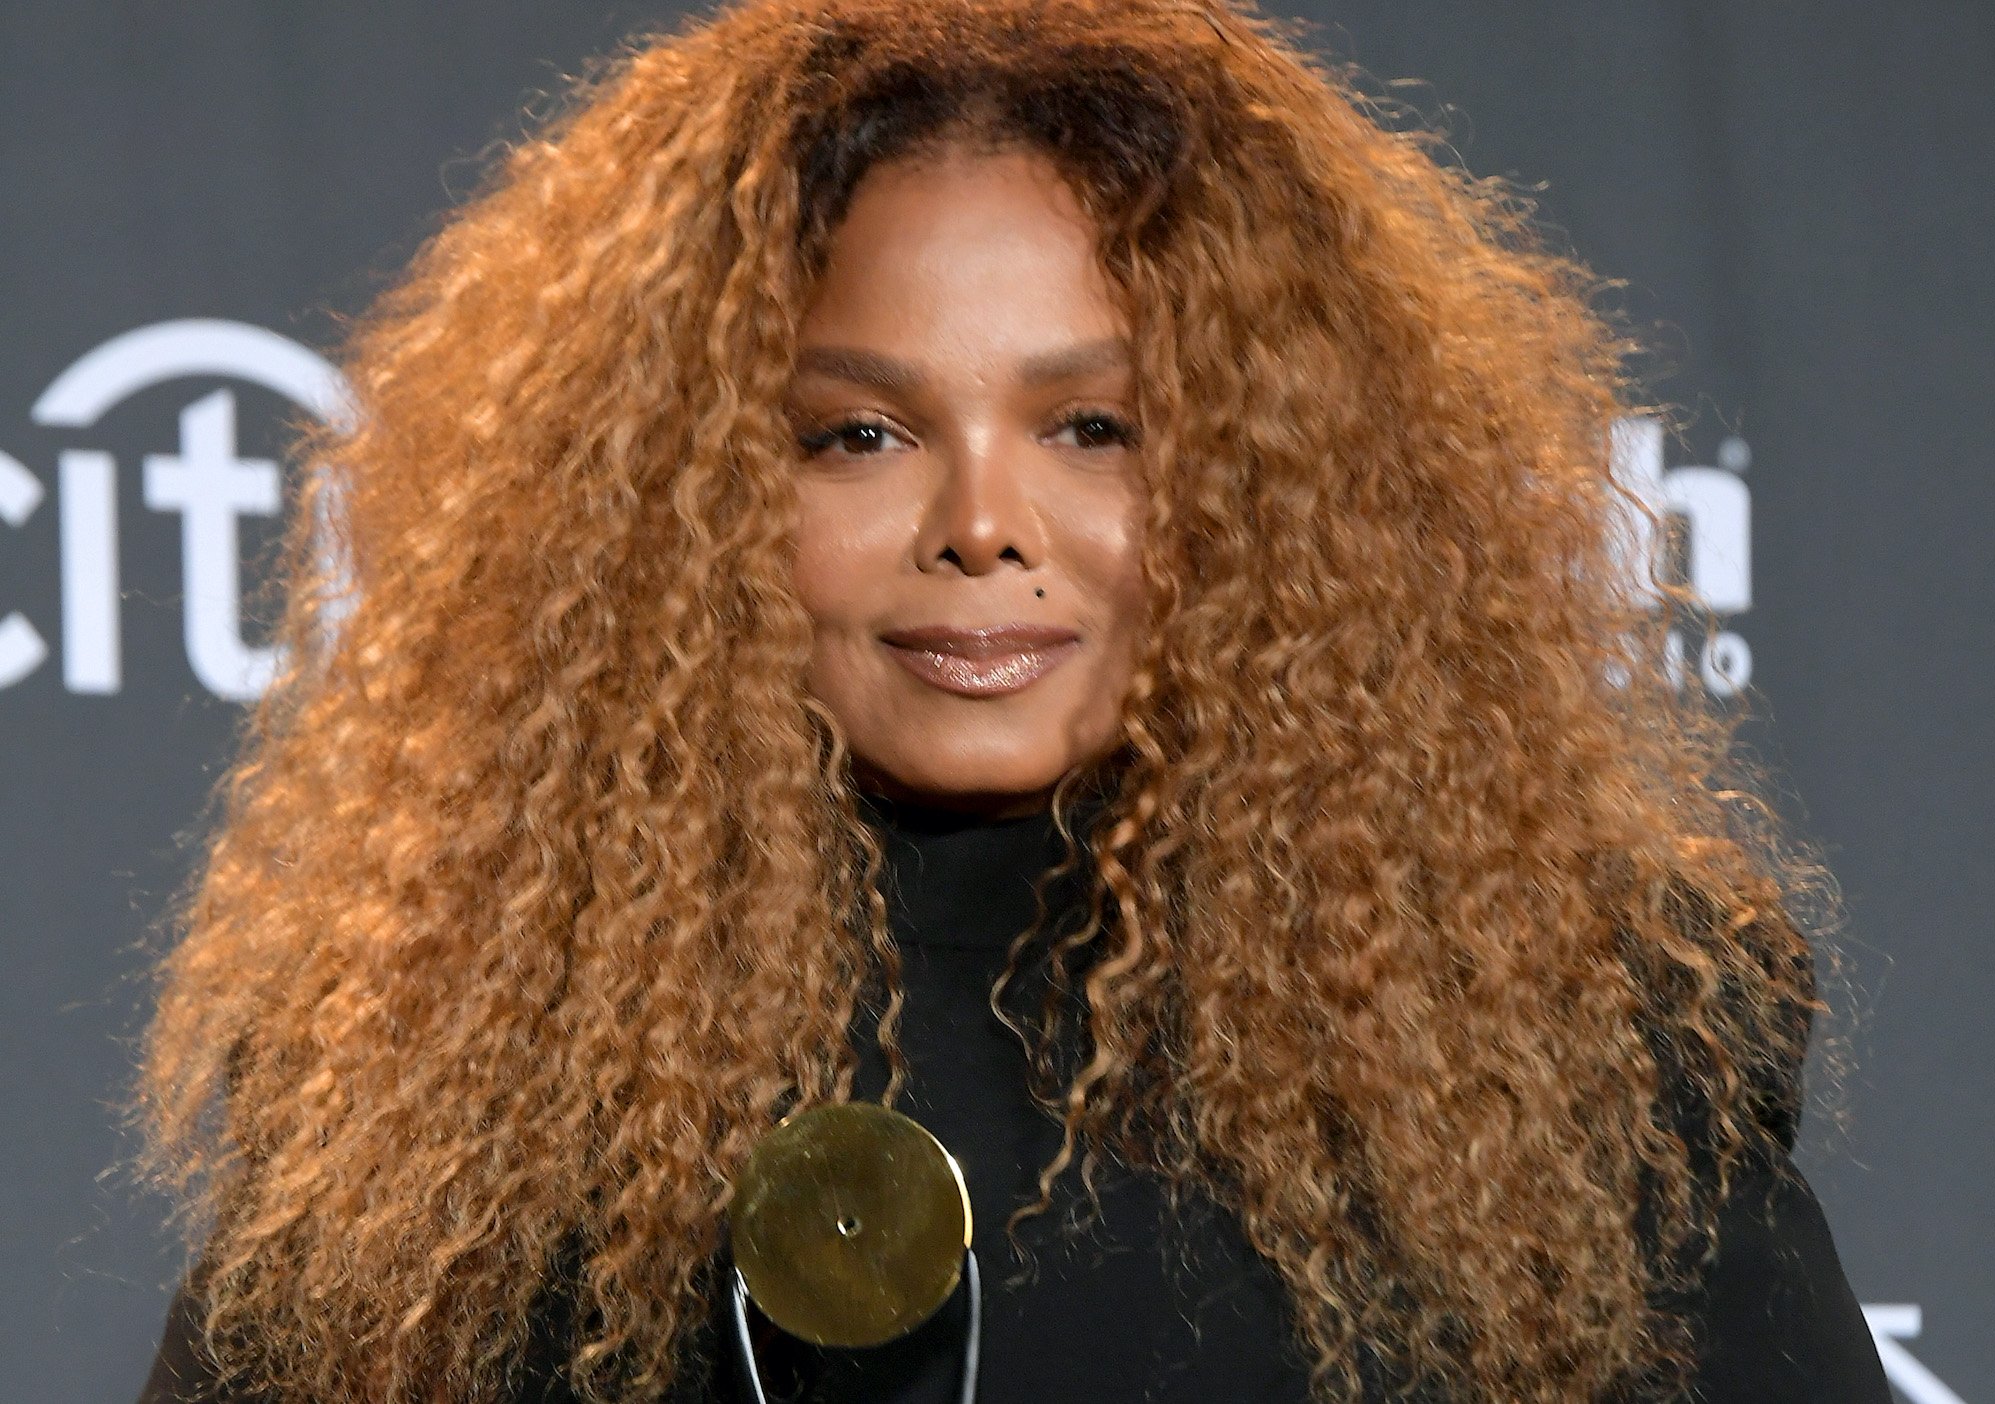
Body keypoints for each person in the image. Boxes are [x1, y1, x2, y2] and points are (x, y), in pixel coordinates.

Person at [128, 1, 1890, 1400]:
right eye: (862, 435)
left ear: (1277, 485)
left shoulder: (1576, 1034)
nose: (982, 528)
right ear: (680, 498)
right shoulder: (444, 1070)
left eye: (1092, 427)